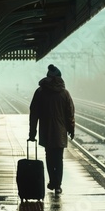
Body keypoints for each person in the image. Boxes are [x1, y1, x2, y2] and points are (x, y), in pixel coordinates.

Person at [29, 64, 75, 195]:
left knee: (49, 157)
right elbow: (70, 114)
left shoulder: (40, 92)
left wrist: (32, 133)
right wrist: (71, 130)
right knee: (59, 158)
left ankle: (52, 181)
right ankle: (58, 185)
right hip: (60, 131)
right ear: (60, 78)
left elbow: (34, 114)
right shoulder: (65, 93)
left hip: (46, 130)